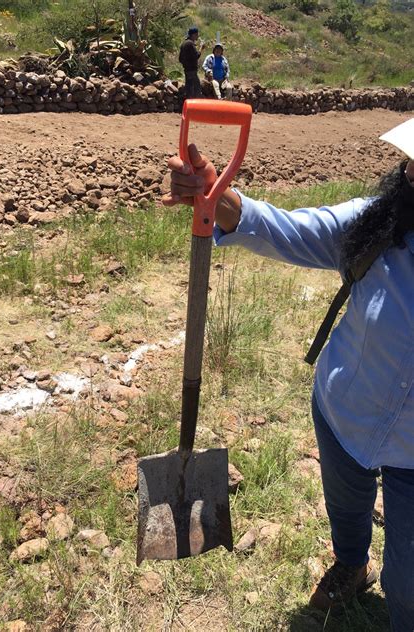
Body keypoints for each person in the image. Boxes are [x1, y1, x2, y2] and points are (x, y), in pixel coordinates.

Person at [162, 117, 414, 632]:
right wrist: (221, 200)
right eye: (411, 165)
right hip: (345, 409)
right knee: (347, 512)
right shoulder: (385, 219)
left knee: (409, 590)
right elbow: (299, 229)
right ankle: (350, 566)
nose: (410, 177)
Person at [179, 27, 205, 99]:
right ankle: (195, 107)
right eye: (197, 34)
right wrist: (201, 48)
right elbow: (196, 55)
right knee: (196, 89)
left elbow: (180, 59)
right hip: (192, 70)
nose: (198, 36)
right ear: (193, 35)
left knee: (189, 88)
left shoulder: (184, 43)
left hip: (187, 70)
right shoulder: (190, 44)